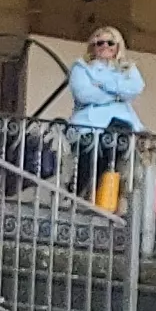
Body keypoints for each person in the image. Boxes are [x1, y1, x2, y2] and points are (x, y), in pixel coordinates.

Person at [65, 26, 142, 202]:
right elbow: (84, 94)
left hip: (121, 121)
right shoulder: (81, 66)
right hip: (90, 122)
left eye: (110, 42)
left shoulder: (127, 68)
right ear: (93, 46)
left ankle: (99, 193)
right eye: (100, 43)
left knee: (115, 150)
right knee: (89, 155)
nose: (105, 46)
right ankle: (78, 191)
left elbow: (135, 88)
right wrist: (117, 96)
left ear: (118, 46)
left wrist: (104, 87)